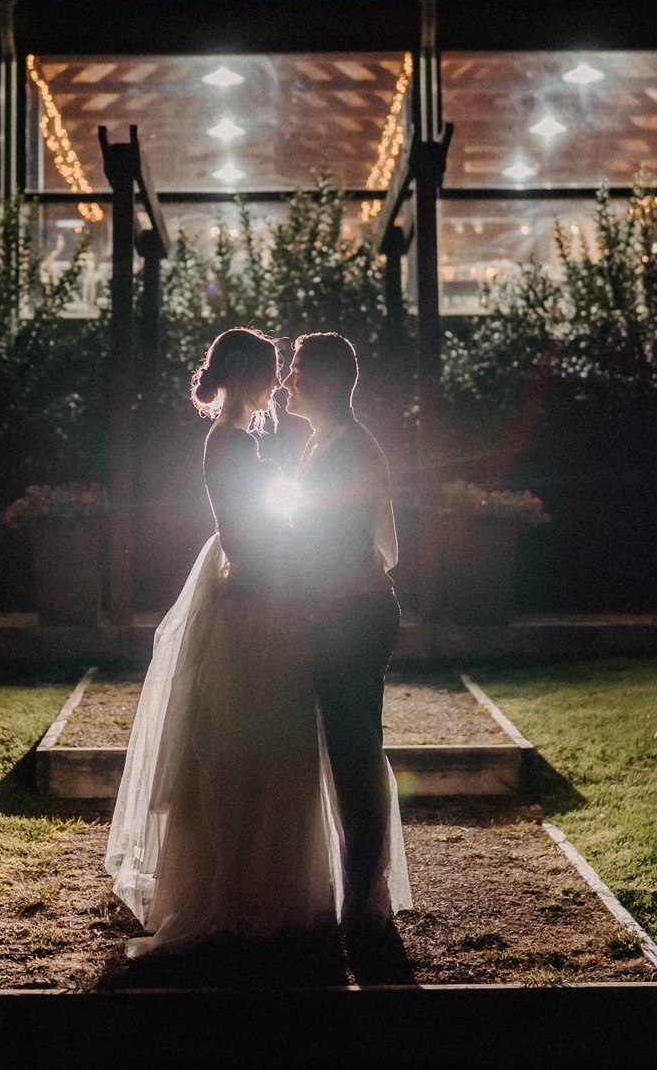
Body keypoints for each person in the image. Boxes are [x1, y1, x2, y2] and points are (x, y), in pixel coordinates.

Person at [105, 328, 341, 958]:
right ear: (246, 375)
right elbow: (245, 536)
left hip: (257, 590)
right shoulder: (231, 446)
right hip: (252, 599)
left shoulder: (238, 442)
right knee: (247, 740)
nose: (279, 385)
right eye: (272, 372)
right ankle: (241, 890)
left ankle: (259, 884)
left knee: (262, 739)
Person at [281, 331, 410, 934]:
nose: (287, 382)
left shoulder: (349, 449)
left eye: (298, 371)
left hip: (355, 617)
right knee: (347, 748)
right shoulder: (323, 442)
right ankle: (359, 887)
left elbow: (338, 545)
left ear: (328, 382)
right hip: (342, 612)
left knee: (355, 751)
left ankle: (363, 895)